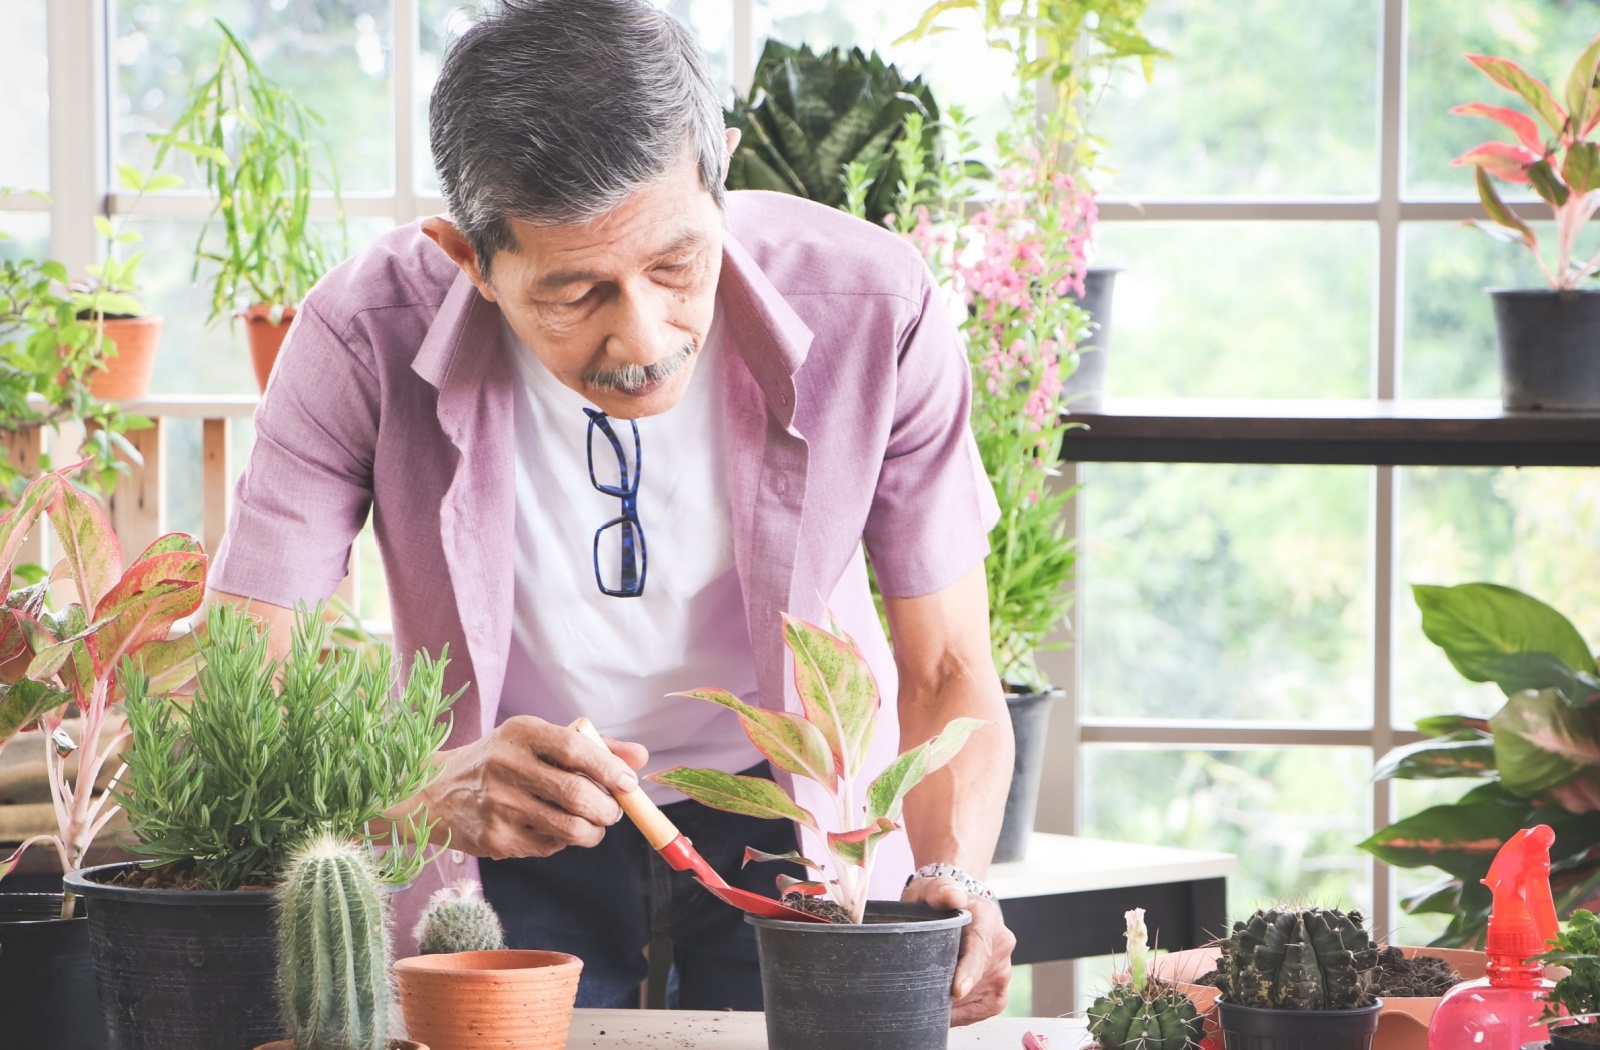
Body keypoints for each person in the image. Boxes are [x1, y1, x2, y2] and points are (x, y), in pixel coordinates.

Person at [206, 0, 1016, 1023]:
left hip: (791, 816)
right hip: (498, 823)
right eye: (575, 293)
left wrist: (956, 875)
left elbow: (945, 667)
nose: (643, 339)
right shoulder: (363, 331)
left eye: (676, 265)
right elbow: (241, 677)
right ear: (469, 260)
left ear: (719, 171)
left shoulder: (874, 307)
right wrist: (420, 790)